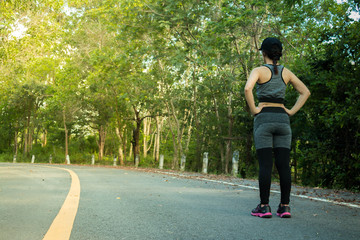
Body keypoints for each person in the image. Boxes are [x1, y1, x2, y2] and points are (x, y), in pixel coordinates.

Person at [244, 37, 310, 218]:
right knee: (283, 165)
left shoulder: (258, 70)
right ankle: (285, 206)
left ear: (263, 53)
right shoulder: (286, 72)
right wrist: (290, 111)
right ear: (278, 53)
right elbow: (305, 92)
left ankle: (264, 207)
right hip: (282, 120)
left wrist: (255, 109)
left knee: (265, 164)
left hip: (264, 119)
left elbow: (248, 89)